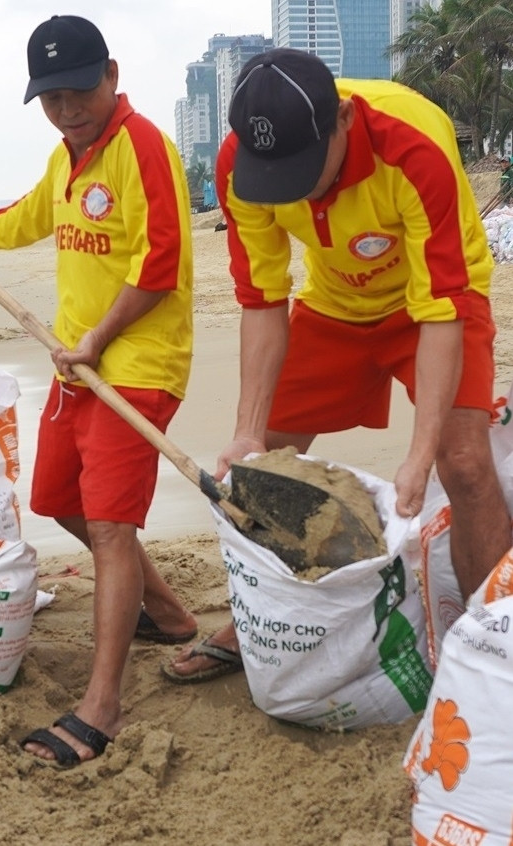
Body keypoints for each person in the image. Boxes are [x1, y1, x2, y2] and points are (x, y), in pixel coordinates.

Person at [165, 48, 511, 683]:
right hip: (333, 305)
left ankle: (495, 636)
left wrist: (421, 448)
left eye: (301, 167)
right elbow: (262, 300)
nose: (290, 186)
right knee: (261, 464)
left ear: (344, 119)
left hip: (433, 301)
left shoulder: (412, 146)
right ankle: (257, 622)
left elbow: (439, 310)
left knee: (462, 461)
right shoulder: (240, 166)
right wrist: (247, 428)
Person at [0, 14, 198, 766]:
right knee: (58, 500)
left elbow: (162, 263)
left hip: (135, 362)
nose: (68, 109)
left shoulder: (142, 147)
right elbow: (31, 215)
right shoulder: (66, 156)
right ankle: (168, 611)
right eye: (51, 99)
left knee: (110, 527)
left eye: (79, 92)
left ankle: (101, 706)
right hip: (77, 362)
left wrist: (98, 342)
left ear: (110, 75)